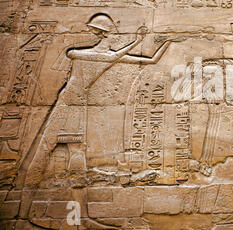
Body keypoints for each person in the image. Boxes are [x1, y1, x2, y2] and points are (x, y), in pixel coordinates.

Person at [16, 13, 179, 189]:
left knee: (77, 153)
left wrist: (169, 41)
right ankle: (23, 205)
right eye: (116, 35)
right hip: (67, 102)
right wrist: (137, 41)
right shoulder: (82, 54)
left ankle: (81, 212)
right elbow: (100, 57)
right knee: (44, 149)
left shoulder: (110, 55)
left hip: (80, 104)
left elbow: (152, 60)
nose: (118, 38)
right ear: (105, 35)